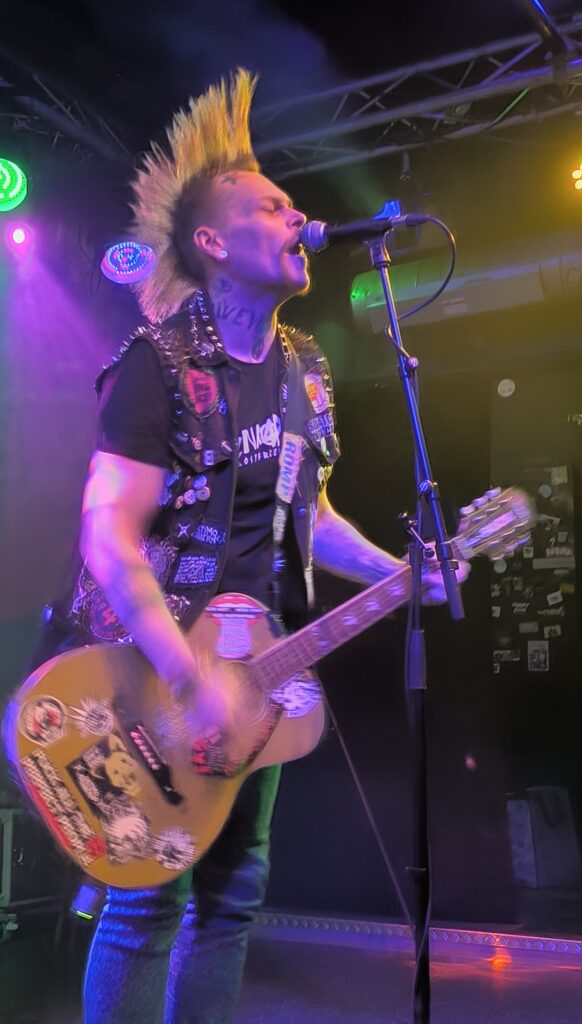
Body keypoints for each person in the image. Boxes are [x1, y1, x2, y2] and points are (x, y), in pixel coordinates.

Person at [47, 68, 467, 1024]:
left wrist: (403, 572)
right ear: (212, 242)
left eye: (293, 203)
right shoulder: (157, 364)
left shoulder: (305, 369)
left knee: (232, 900)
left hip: (257, 668)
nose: (299, 216)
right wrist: (185, 676)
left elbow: (310, 514)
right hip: (154, 672)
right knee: (146, 905)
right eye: (272, 206)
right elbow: (108, 535)